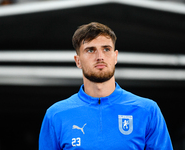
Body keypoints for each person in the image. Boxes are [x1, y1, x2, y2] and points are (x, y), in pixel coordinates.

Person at [39, 22, 173, 150]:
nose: (100, 57)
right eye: (90, 50)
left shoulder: (147, 110)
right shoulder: (56, 115)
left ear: (115, 56)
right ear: (78, 61)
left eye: (106, 49)